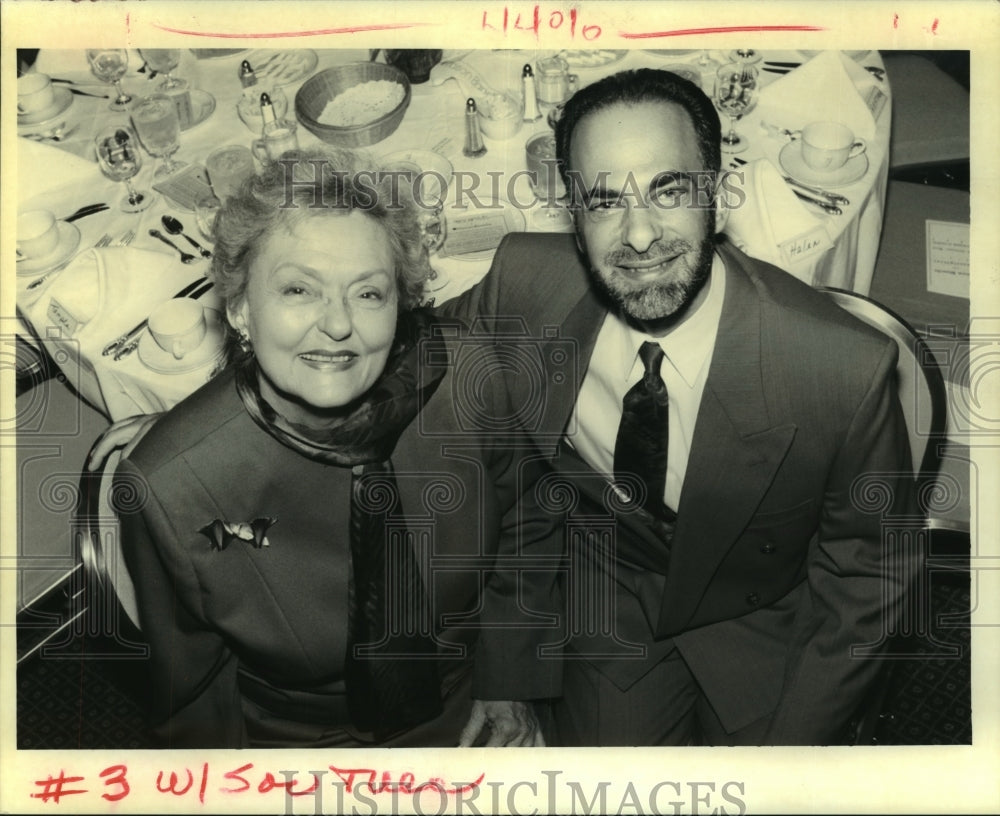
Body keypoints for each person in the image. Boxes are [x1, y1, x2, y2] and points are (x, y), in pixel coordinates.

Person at [441, 68, 917, 745]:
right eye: (605, 201)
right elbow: (399, 360)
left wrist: (790, 760)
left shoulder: (841, 367)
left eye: (669, 190)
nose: (639, 237)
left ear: (718, 197)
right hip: (616, 592)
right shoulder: (522, 285)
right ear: (572, 220)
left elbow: (868, 578)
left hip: (766, 618)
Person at [112, 149, 561, 748]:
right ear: (241, 307)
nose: (338, 325)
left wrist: (508, 681)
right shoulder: (173, 486)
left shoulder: (470, 377)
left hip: (473, 691)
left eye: (368, 294)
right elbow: (193, 697)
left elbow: (530, 523)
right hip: (304, 740)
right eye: (299, 289)